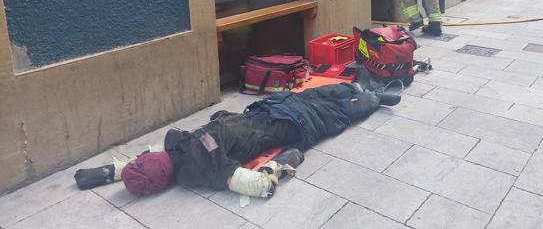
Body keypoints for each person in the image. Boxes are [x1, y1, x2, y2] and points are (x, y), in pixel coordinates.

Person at [74, 83, 399, 198]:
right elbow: (259, 185)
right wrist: (283, 163)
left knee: (325, 105)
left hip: (275, 114)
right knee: (328, 108)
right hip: (278, 116)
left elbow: (148, 157)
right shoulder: (187, 152)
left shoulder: (183, 158)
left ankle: (360, 91)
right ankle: (367, 95)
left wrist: (106, 172)